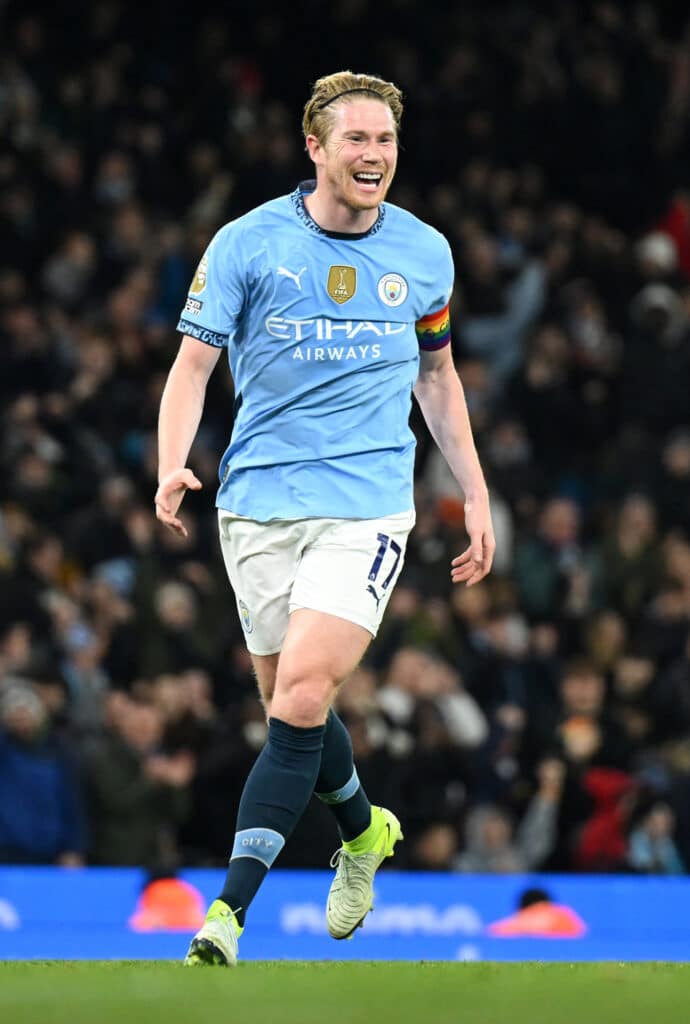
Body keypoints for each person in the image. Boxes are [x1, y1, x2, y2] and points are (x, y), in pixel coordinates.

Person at [155, 70, 494, 967]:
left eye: (385, 140)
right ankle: (363, 829)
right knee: (289, 708)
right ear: (316, 147)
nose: (373, 155)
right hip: (257, 505)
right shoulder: (247, 243)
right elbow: (192, 367)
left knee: (303, 694)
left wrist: (476, 491)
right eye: (356, 140)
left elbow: (437, 377)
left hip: (367, 508)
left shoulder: (425, 253)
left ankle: (227, 913)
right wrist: (170, 461)